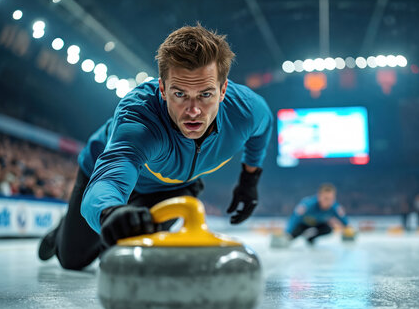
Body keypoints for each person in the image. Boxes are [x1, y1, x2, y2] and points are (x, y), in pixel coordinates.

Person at [38, 24, 273, 270]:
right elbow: (110, 180)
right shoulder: (140, 119)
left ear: (223, 90)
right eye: (180, 94)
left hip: (172, 189)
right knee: (73, 260)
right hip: (101, 175)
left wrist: (250, 180)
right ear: (162, 89)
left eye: (205, 94)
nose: (193, 111)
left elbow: (263, 130)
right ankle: (62, 232)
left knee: (130, 248)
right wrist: (109, 212)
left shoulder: (246, 110)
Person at [270, 183, 353, 248]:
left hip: (319, 225)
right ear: (319, 196)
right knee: (293, 235)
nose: (328, 202)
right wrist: (287, 233)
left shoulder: (335, 207)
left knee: (328, 229)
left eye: (331, 199)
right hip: (303, 225)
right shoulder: (307, 205)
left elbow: (344, 220)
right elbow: (295, 218)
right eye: (326, 198)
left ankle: (311, 238)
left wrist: (348, 229)